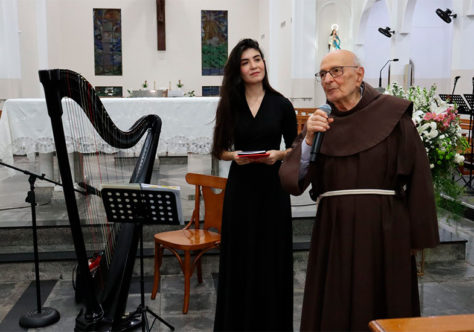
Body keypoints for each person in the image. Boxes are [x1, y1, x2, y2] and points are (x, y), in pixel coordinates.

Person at [279, 50, 439, 331]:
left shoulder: (393, 115)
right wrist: (307, 139)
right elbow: (293, 180)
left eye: (336, 71)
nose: (328, 80)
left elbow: (419, 176)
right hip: (334, 231)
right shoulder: (320, 123)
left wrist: (416, 235)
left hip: (385, 231)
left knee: (384, 303)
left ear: (359, 74)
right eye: (323, 74)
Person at [212, 38, 297, 331]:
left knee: (271, 258)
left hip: (272, 189)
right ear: (238, 70)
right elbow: (218, 149)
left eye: (257, 59)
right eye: (246, 62)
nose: (253, 66)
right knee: (241, 257)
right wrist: (234, 156)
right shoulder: (230, 105)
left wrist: (280, 155)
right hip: (242, 190)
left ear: (264, 63)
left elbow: (296, 147)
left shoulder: (281, 104)